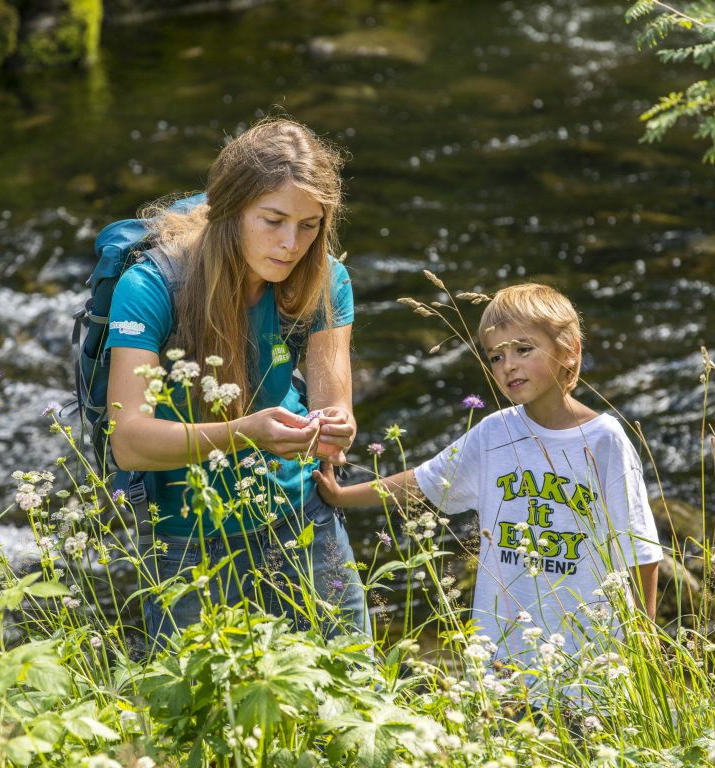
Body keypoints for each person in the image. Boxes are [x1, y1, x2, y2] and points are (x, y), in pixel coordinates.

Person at [106, 117, 369, 644]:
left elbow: (334, 405)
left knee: (353, 683)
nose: (291, 243)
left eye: (310, 224)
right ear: (230, 209)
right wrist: (244, 433)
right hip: (187, 533)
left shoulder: (325, 279)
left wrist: (336, 429)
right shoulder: (151, 286)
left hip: (301, 515)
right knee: (200, 716)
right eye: (272, 220)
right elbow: (129, 442)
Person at [314, 282, 662, 662]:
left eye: (523, 350)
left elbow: (640, 548)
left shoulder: (604, 441)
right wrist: (343, 495)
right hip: (505, 647)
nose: (508, 365)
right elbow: (423, 481)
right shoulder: (494, 434)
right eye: (496, 357)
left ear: (570, 351)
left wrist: (643, 637)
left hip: (589, 649)